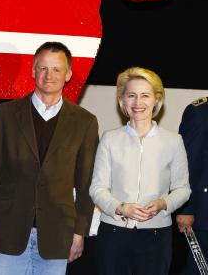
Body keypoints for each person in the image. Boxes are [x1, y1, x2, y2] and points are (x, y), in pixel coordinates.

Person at [0, 41, 99, 275]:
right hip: (9, 229)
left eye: (57, 69)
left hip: (59, 233)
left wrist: (80, 232)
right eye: (43, 68)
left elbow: (87, 181)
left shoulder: (85, 121)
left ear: (68, 74)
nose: (50, 75)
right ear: (33, 70)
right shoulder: (4, 114)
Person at [89, 67, 191, 275]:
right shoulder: (110, 138)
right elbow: (97, 188)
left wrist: (164, 203)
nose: (138, 102)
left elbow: (183, 189)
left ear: (156, 99)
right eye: (131, 96)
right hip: (114, 233)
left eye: (145, 95)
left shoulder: (173, 141)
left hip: (156, 235)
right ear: (123, 101)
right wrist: (121, 207)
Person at [176, 96, 208, 275]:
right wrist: (186, 208)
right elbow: (187, 163)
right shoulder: (200, 112)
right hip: (205, 213)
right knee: (199, 269)